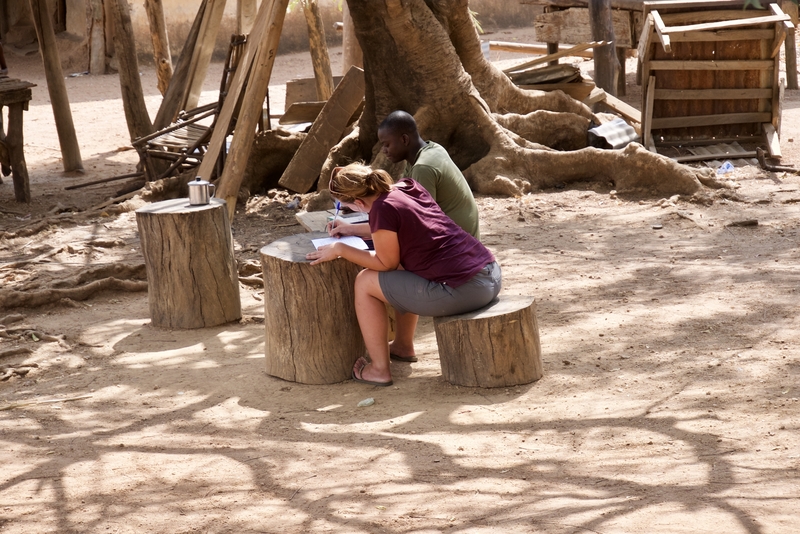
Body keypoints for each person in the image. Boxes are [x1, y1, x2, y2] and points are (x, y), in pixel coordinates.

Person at [306, 163, 501, 387]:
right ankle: (402, 346)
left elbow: (385, 263)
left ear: (359, 203)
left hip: (466, 289)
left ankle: (379, 370)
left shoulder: (381, 209)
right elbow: (394, 225)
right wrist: (350, 229)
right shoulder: (406, 187)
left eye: (349, 207)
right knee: (403, 269)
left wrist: (341, 249)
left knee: (365, 282)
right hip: (490, 274)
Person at [329, 110, 481, 240]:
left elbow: (411, 224)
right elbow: (400, 194)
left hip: (457, 245)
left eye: (387, 144)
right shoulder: (429, 150)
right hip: (458, 237)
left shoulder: (423, 168)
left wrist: (351, 228)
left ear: (404, 139)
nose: (384, 150)